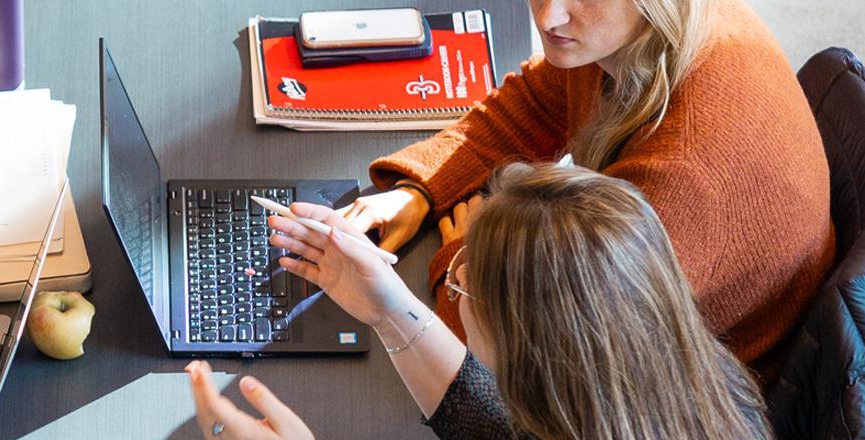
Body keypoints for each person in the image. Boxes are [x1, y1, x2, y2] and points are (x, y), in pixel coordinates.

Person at [188, 163, 817, 440]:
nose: (455, 288)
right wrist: (386, 307)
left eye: (461, 284)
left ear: (527, 354)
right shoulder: (710, 383)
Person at [340, 0, 832, 379]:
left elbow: (536, 366)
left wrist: (462, 267)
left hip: (690, 401)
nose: (549, 16)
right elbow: (536, 102)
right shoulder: (639, 33)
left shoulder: (683, 181)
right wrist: (421, 190)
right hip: (616, 310)